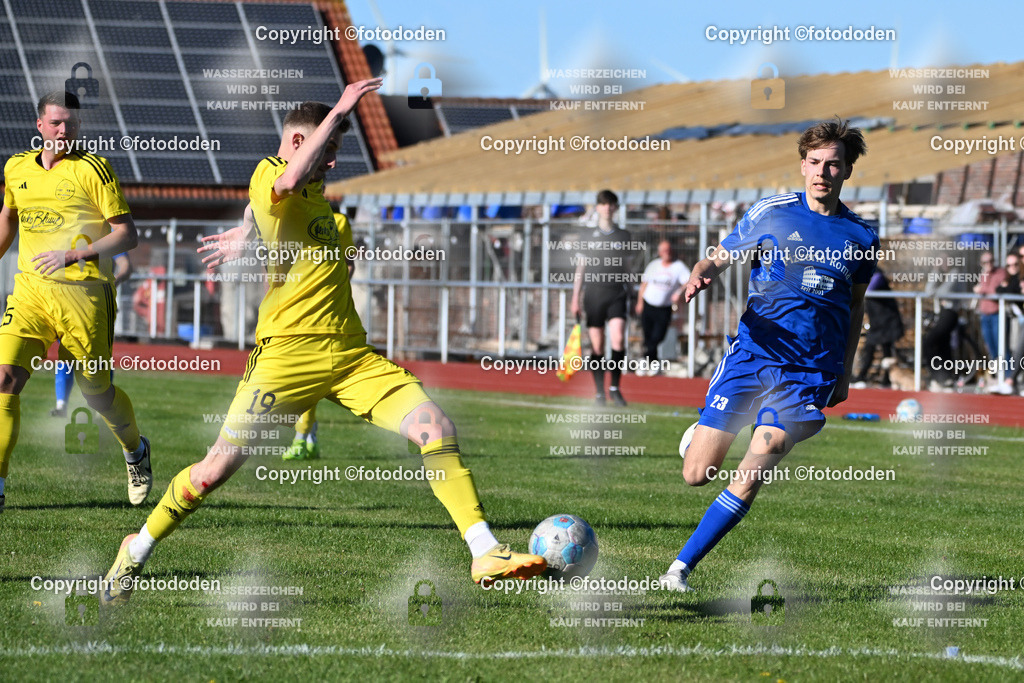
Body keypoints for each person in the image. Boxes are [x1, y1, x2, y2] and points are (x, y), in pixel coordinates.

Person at [101, 79, 545, 604]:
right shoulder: (271, 172)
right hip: (284, 360)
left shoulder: (333, 218)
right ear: (297, 141)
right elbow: (281, 184)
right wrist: (338, 110)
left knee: (435, 427)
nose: (332, 162)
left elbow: (278, 209)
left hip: (352, 358)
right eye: (327, 149)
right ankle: (136, 548)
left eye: (335, 152)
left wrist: (249, 228)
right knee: (212, 471)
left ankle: (484, 549)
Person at [659, 118, 876, 592]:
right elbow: (716, 255)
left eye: (833, 164)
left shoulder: (861, 237)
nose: (823, 172)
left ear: (847, 171)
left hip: (808, 370)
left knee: (766, 450)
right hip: (753, 356)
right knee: (698, 474)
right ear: (803, 165)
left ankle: (679, 569)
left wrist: (844, 373)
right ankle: (702, 431)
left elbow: (856, 306)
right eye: (815, 162)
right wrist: (700, 273)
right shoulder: (771, 212)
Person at [0, 91, 151, 514]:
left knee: (96, 393)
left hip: (85, 297)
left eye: (71, 123)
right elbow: (9, 217)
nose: (65, 130)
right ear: (39, 127)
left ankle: (135, 450)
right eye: (56, 123)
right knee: (4, 380)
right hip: (30, 292)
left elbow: (127, 234)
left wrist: (72, 255)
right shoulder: (15, 169)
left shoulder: (93, 169)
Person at [570, 190, 633, 406]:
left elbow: (628, 267)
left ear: (615, 208)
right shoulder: (587, 236)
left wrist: (632, 293)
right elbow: (581, 267)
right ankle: (599, 392)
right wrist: (574, 298)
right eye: (603, 204)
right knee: (597, 347)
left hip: (616, 292)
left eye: (611, 204)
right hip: (594, 294)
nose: (607, 207)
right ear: (597, 207)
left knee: (617, 338)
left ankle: (614, 387)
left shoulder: (623, 235)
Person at [52, 252, 132, 417]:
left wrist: (110, 283)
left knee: (100, 355)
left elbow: (126, 266)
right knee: (66, 352)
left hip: (98, 304)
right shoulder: (68, 230)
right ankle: (61, 405)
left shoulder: (108, 233)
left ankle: (102, 405)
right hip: (69, 303)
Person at [635, 240, 689, 374]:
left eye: (669, 249)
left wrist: (679, 293)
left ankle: (645, 359)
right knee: (647, 336)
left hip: (664, 308)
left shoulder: (678, 267)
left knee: (658, 336)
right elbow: (644, 284)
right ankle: (651, 362)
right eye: (664, 250)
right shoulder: (653, 265)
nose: (667, 253)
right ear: (659, 252)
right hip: (648, 304)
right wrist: (640, 302)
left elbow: (688, 281)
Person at [851, 268, 903, 387]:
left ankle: (878, 379)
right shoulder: (868, 272)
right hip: (878, 321)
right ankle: (866, 377)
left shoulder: (877, 273)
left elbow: (868, 289)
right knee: (873, 348)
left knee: (883, 349)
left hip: (887, 320)